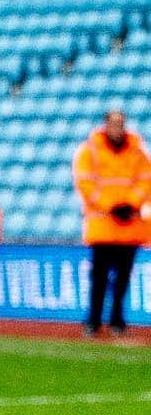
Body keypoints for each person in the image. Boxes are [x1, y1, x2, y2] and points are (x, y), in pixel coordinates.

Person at [73, 110, 151, 336]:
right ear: (105, 125)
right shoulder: (90, 151)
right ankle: (93, 320)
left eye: (121, 123)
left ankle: (117, 320)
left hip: (130, 227)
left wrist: (130, 204)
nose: (117, 127)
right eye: (113, 123)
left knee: (123, 279)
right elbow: (86, 184)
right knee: (99, 278)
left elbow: (146, 181)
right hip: (103, 228)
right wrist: (111, 206)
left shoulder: (138, 151)